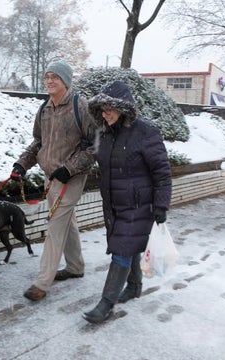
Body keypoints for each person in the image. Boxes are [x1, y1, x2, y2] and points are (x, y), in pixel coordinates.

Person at [82, 80, 172, 324]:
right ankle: (134, 286)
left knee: (121, 250)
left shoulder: (146, 133)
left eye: (109, 107)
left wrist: (161, 205)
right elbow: (96, 160)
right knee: (128, 246)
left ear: (124, 108)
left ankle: (106, 303)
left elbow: (162, 172)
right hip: (113, 204)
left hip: (138, 205)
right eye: (101, 108)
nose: (105, 113)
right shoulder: (105, 134)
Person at [11, 60, 96, 301]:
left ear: (66, 81)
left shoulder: (81, 106)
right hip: (51, 177)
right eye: (47, 76)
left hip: (72, 178)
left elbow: (95, 146)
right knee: (66, 223)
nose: (49, 80)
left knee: (56, 225)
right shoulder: (45, 109)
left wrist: (69, 169)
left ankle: (42, 282)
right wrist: (22, 164)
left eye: (55, 77)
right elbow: (39, 143)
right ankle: (75, 267)